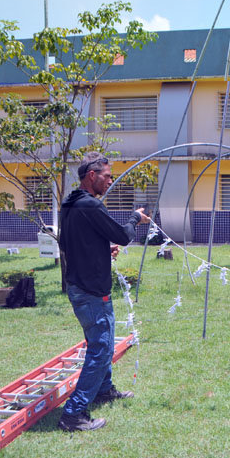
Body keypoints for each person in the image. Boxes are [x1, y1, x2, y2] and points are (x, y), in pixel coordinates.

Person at [58, 152, 149, 431]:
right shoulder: (91, 206)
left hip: (81, 287)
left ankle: (103, 389)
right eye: (107, 176)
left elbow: (66, 243)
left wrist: (100, 248)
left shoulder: (70, 204)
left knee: (102, 343)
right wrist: (135, 218)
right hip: (91, 291)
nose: (110, 180)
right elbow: (123, 235)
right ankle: (73, 413)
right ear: (91, 176)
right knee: (101, 348)